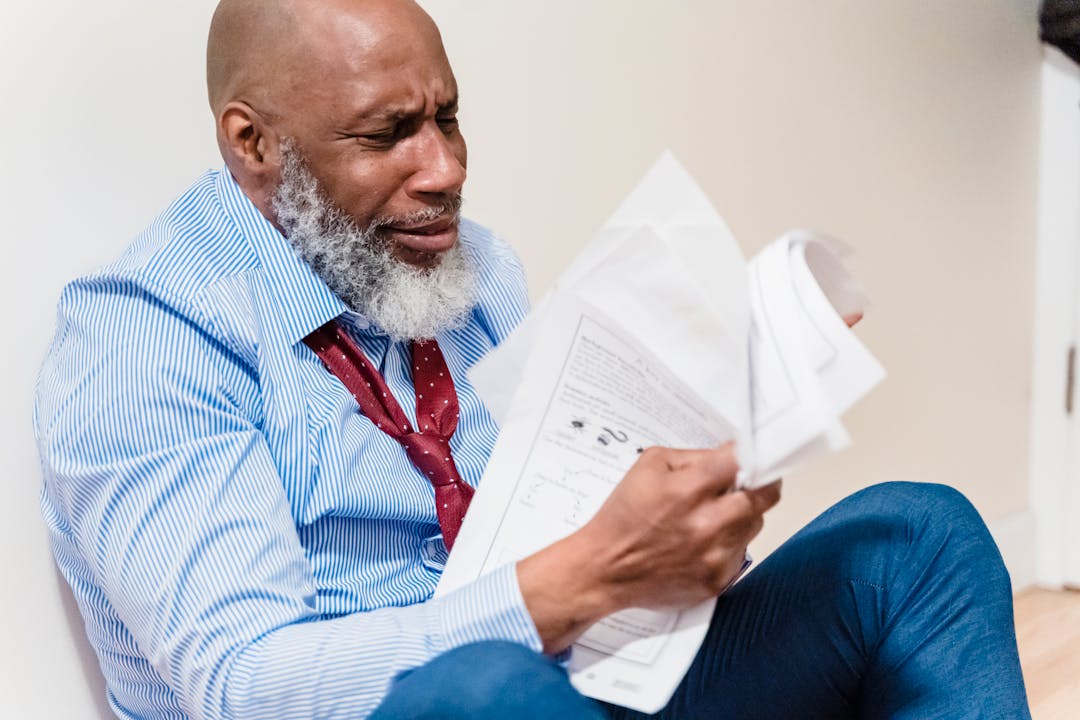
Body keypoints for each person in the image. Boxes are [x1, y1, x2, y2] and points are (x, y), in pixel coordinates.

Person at [34, 0, 1030, 718]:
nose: (447, 169)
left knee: (918, 538)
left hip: (570, 678)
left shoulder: (470, 271)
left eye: (447, 117)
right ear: (254, 146)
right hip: (450, 702)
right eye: (390, 135)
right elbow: (244, 689)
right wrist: (596, 573)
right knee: (483, 692)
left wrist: (693, 520)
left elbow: (555, 506)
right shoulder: (143, 338)